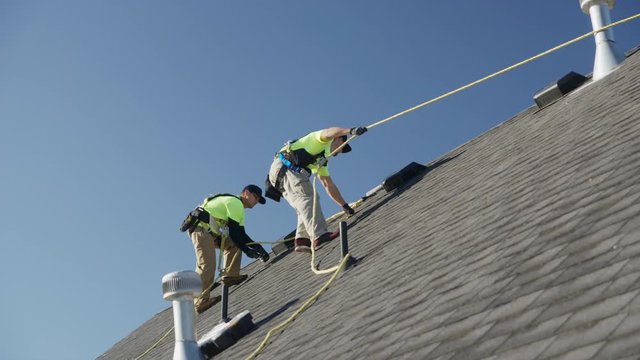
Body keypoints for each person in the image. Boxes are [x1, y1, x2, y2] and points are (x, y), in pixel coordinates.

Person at [265, 126, 368, 253]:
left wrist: (344, 205)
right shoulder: (319, 141)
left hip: (280, 175)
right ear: (339, 140)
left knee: (304, 202)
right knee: (307, 198)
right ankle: (319, 235)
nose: (339, 153)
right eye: (342, 148)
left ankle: (302, 239)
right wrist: (350, 131)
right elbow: (330, 131)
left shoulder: (321, 159)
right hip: (286, 168)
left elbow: (327, 184)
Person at [181, 184, 270, 313]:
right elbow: (234, 233)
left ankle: (230, 276)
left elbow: (241, 235)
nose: (256, 202)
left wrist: (258, 248)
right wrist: (248, 251)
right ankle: (200, 301)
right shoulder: (235, 203)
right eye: (255, 197)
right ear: (246, 193)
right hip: (201, 229)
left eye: (258, 200)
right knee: (207, 265)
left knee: (233, 244)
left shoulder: (239, 209)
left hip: (211, 232)